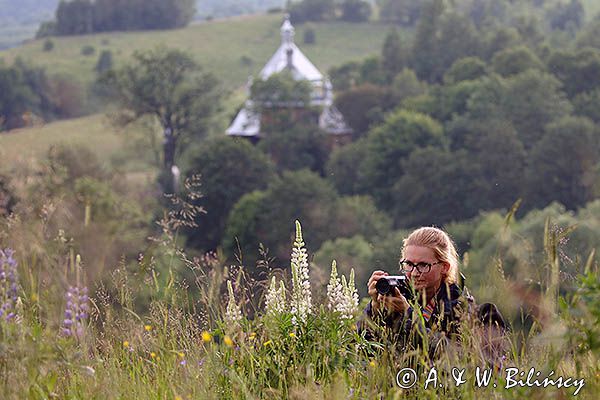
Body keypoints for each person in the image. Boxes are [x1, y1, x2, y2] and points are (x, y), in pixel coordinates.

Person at [359, 227, 468, 353]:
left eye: (423, 265)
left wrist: (408, 314)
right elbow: (361, 349)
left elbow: (451, 356)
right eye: (409, 264)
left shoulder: (460, 307)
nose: (415, 273)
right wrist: (375, 309)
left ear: (444, 267)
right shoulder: (397, 295)